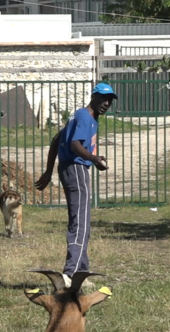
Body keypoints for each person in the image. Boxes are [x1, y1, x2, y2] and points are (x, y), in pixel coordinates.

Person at [35, 83, 117, 286]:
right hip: (76, 169)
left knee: (83, 220)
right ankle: (70, 273)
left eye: (110, 100)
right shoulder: (84, 117)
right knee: (80, 222)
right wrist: (93, 158)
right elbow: (74, 144)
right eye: (102, 99)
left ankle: (81, 272)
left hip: (71, 167)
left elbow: (56, 139)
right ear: (93, 97)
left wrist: (48, 170)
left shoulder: (81, 116)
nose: (106, 104)